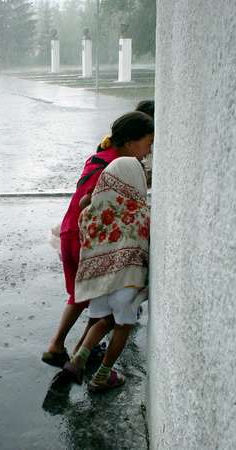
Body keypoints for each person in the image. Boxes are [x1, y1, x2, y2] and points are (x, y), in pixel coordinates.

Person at [41, 111, 154, 368]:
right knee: (99, 297)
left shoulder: (98, 158)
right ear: (129, 142)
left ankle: (57, 345)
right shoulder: (117, 168)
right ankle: (83, 351)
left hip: (69, 233)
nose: (147, 152)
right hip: (88, 239)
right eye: (147, 143)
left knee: (79, 296)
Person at [63, 153, 151, 392]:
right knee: (123, 326)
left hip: (97, 282)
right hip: (126, 283)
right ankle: (102, 375)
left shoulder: (89, 213)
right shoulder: (141, 212)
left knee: (103, 320)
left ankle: (78, 359)